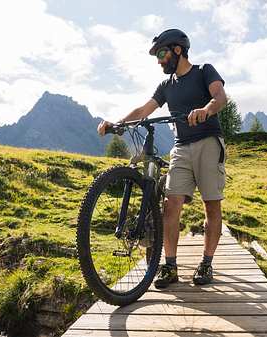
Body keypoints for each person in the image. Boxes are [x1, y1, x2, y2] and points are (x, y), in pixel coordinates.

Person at [97, 28, 227, 288]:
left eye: (162, 53)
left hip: (208, 142)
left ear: (178, 50)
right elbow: (145, 110)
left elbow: (220, 97)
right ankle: (169, 266)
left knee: (211, 206)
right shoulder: (166, 86)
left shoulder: (204, 71)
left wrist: (206, 109)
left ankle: (206, 262)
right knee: (171, 204)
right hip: (181, 147)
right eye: (157, 55)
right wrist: (119, 123)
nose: (159, 60)